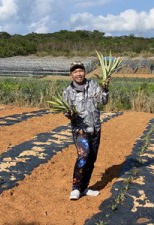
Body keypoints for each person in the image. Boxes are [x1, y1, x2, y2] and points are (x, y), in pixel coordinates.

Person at [63, 61, 109, 200]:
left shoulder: (93, 85)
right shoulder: (68, 92)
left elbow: (103, 102)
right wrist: (69, 114)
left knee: (91, 159)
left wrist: (105, 89)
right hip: (80, 130)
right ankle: (76, 188)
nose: (78, 73)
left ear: (84, 72)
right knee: (83, 156)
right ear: (71, 74)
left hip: (95, 128)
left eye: (80, 70)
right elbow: (65, 111)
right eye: (75, 71)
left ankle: (84, 188)